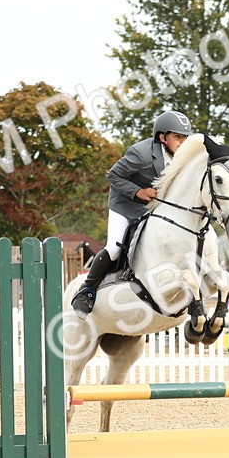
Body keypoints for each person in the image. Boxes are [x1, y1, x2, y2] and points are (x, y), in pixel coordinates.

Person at [71, 109, 196, 314]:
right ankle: (87, 290)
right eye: (177, 137)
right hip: (125, 205)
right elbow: (113, 176)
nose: (182, 142)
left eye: (185, 137)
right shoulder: (141, 154)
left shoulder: (184, 159)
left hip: (153, 208)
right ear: (163, 138)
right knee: (115, 249)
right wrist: (138, 191)